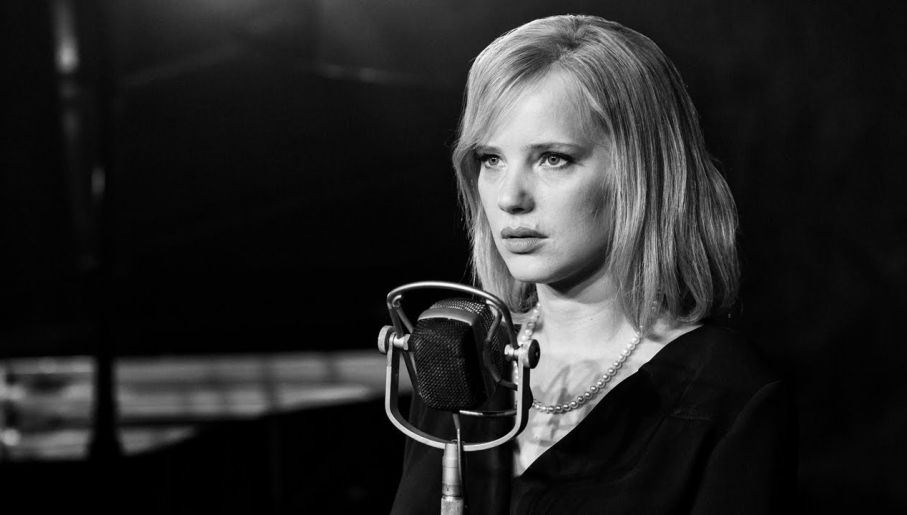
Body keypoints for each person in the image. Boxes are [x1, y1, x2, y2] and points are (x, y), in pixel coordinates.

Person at [391, 14, 796, 514]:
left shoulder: (726, 396)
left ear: (640, 170)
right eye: (491, 159)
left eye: (552, 158)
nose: (510, 198)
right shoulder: (456, 357)